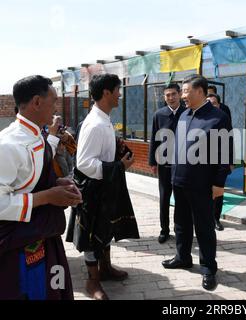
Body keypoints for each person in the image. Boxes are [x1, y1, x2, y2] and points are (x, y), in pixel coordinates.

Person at [0, 75, 83, 300]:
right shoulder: (8, 145)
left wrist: (57, 184)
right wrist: (48, 196)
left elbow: (32, 182)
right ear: (37, 102)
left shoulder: (37, 135)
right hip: (18, 245)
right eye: (53, 101)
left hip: (43, 237)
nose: (56, 109)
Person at [66, 74, 140, 300]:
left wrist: (119, 152)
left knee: (106, 228)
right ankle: (93, 281)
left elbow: (102, 153)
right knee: (91, 234)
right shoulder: (94, 124)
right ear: (106, 92)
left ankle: (105, 268)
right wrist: (118, 166)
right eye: (118, 90)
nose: (120, 94)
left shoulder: (105, 120)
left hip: (105, 186)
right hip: (93, 190)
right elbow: (84, 163)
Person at [162, 75, 232, 291]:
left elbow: (224, 153)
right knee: (181, 223)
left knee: (204, 227)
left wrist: (219, 183)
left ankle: (209, 267)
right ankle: (183, 257)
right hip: (179, 181)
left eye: (185, 91)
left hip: (202, 184)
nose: (182, 96)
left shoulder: (217, 117)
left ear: (200, 92)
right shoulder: (184, 115)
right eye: (182, 91)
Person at [149, 83, 186, 243]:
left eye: (173, 94)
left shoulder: (188, 113)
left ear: (179, 95)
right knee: (164, 198)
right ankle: (164, 230)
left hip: (184, 164)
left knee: (181, 199)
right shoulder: (159, 115)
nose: (170, 98)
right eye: (167, 95)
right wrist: (152, 162)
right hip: (164, 164)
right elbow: (154, 139)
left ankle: (181, 230)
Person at [207, 93, 233, 231]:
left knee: (218, 192)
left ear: (219, 105)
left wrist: (230, 161)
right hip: (202, 163)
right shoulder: (200, 118)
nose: (211, 106)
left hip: (219, 163)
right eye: (208, 103)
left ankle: (216, 219)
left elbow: (229, 141)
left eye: (214, 103)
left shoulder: (223, 119)